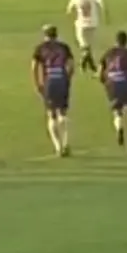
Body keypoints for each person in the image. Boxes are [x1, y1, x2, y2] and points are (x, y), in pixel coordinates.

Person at [32, 25, 74, 157]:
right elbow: (71, 65)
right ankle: (66, 142)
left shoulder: (40, 48)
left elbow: (34, 67)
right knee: (62, 112)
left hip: (49, 81)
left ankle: (58, 146)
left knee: (51, 114)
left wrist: (37, 83)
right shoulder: (64, 47)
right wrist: (68, 78)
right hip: (61, 79)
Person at [66, 0, 106, 74]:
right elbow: (102, 4)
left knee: (84, 46)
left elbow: (69, 11)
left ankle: (83, 63)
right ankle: (91, 65)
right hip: (93, 23)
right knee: (88, 46)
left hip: (81, 24)